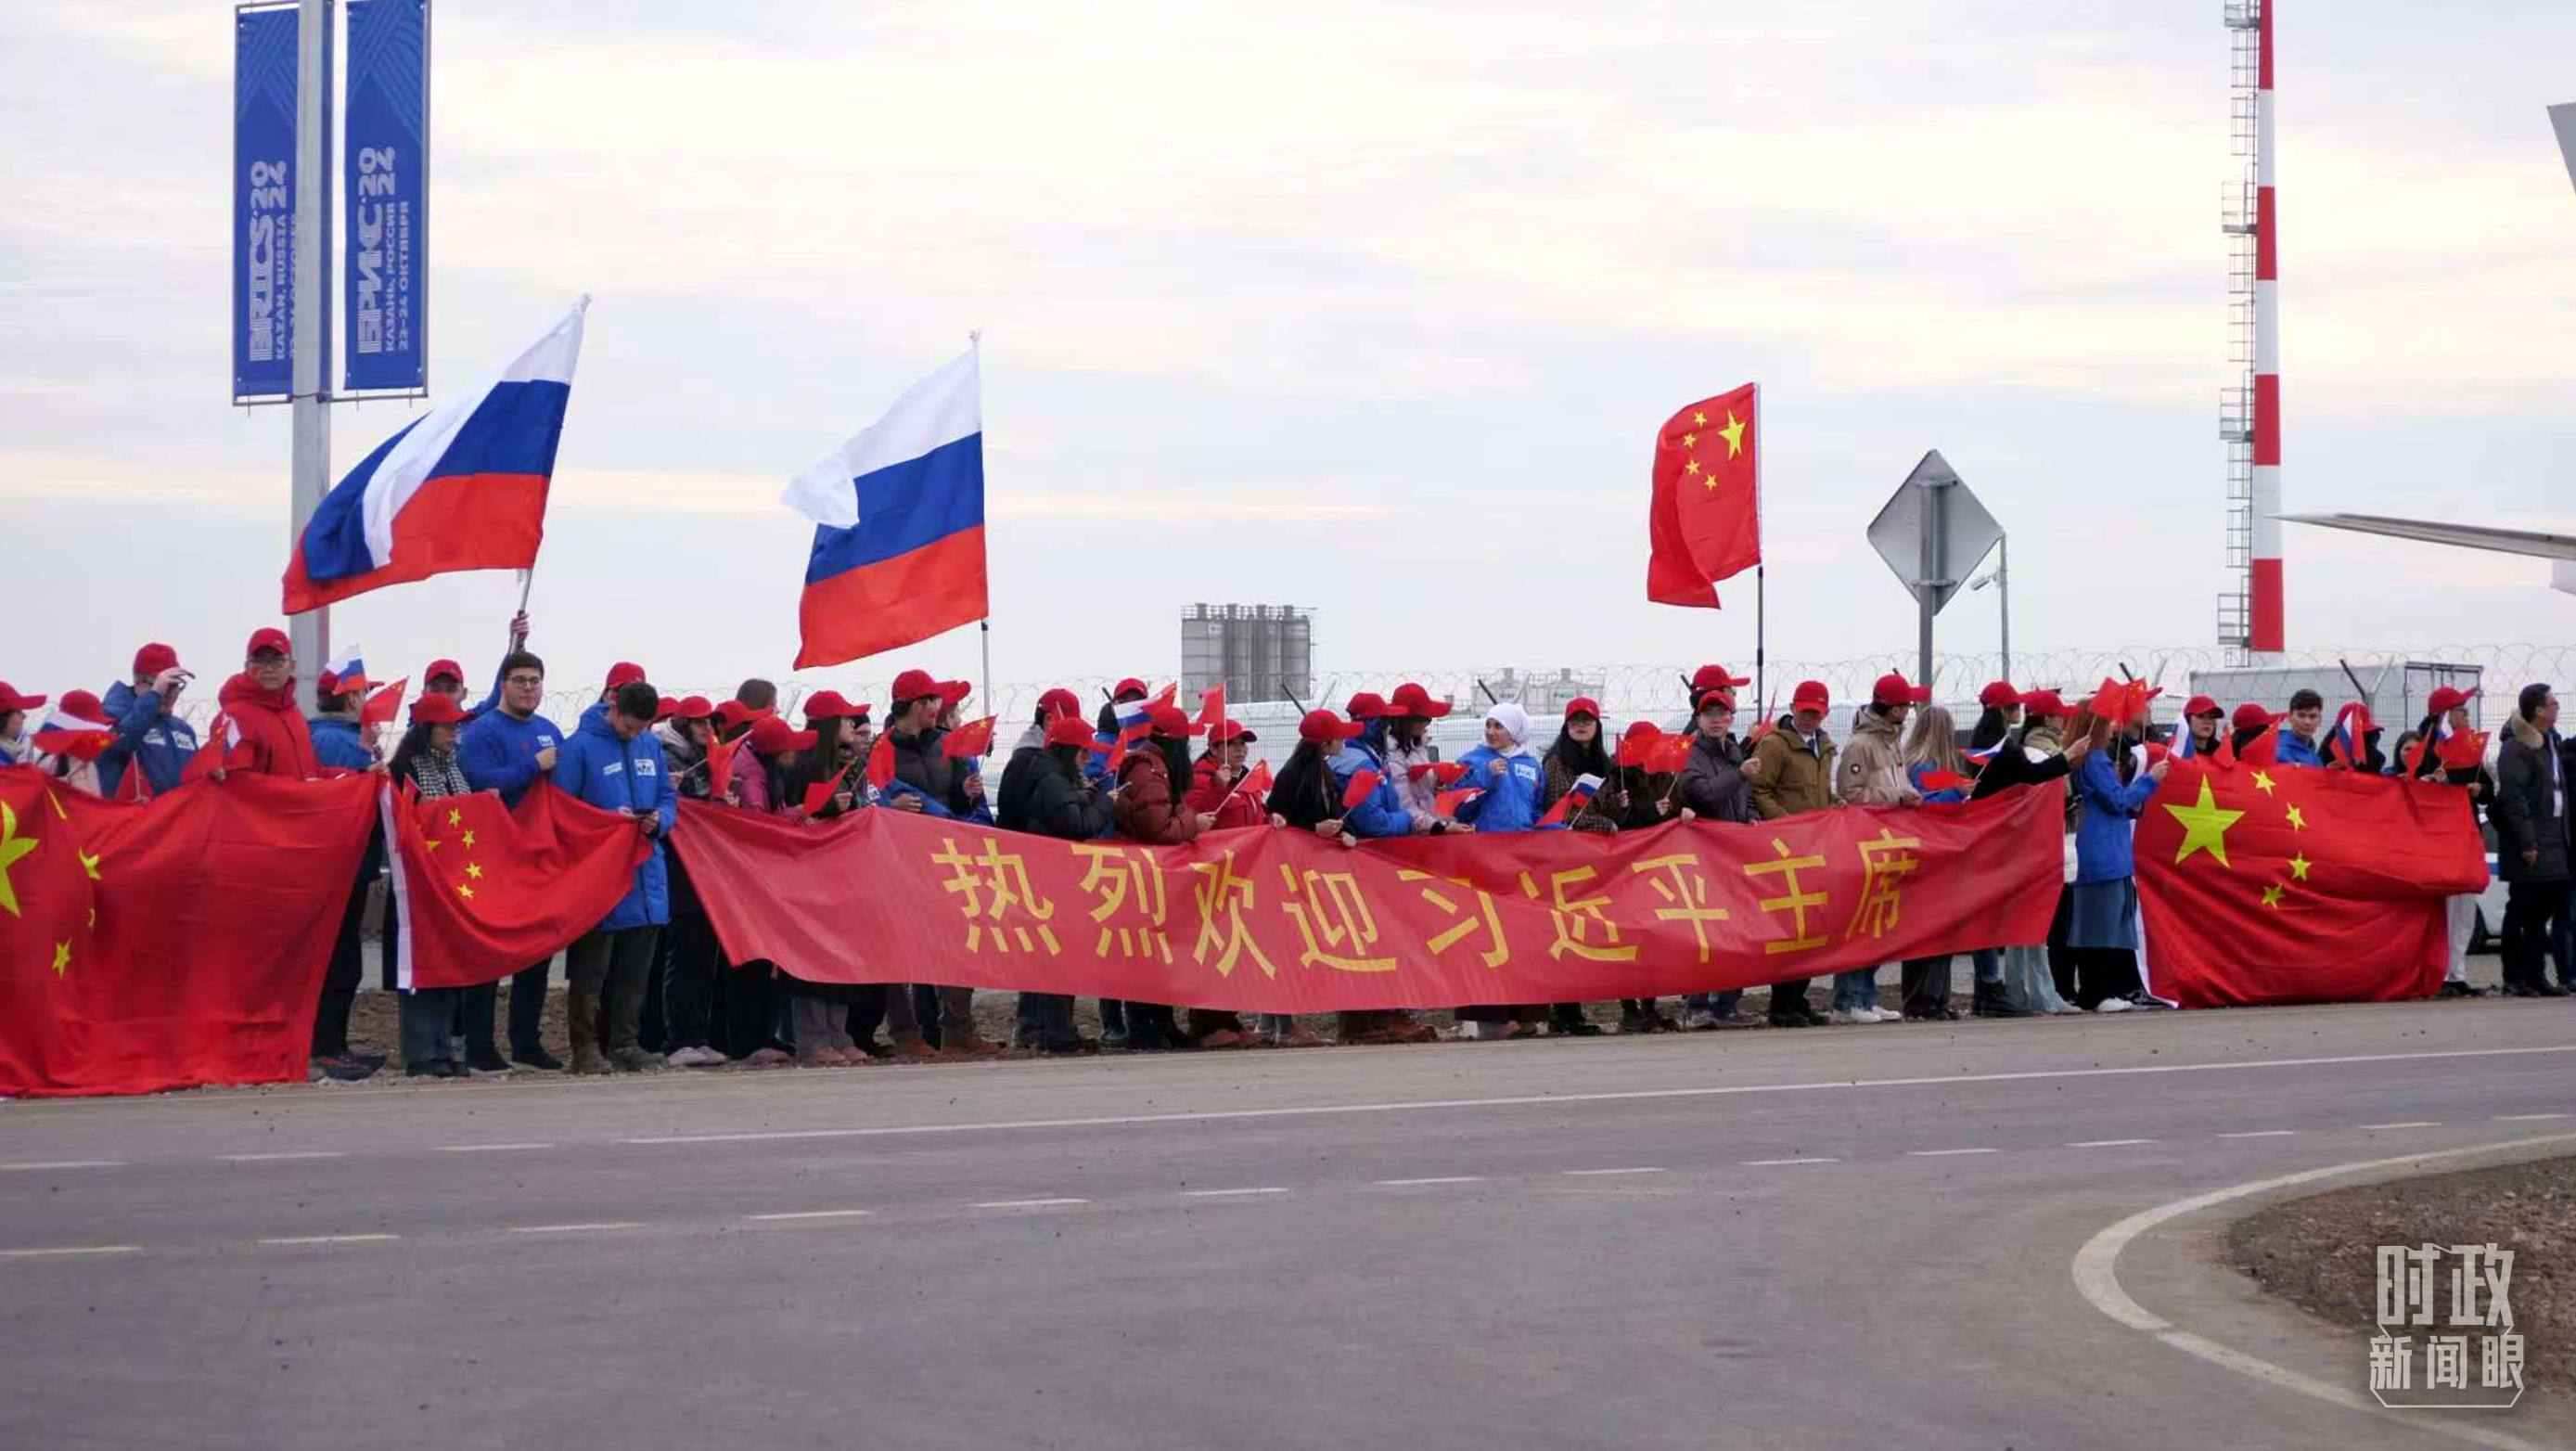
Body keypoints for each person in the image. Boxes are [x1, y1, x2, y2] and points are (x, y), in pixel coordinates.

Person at [553, 680, 677, 1072]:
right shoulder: (578, 748)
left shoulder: (650, 745)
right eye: (629, 726)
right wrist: (607, 822)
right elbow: (560, 810)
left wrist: (660, 820)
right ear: (614, 708)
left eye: (643, 727)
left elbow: (667, 796)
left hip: (646, 870)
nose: (635, 733)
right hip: (599, 876)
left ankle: (625, 1043)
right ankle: (585, 1048)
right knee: (592, 971)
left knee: (634, 971)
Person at [455, 650, 567, 1071]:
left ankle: (526, 1042)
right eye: (520, 680)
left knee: (537, 953)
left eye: (534, 681)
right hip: (493, 857)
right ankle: (479, 1045)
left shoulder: (549, 731)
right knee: (487, 953)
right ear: (503, 684)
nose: (528, 688)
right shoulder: (482, 731)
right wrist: (532, 766)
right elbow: (478, 781)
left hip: (537, 858)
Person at [880, 669, 1000, 1057]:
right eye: (930, 701)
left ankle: (958, 1029)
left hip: (946, 859)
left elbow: (963, 804)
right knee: (899, 948)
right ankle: (905, 1033)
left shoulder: (949, 745)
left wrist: (967, 793)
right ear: (913, 705)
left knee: (958, 940)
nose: (938, 707)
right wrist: (890, 805)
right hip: (900, 860)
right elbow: (868, 800)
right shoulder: (881, 751)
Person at [999, 711, 1119, 1053]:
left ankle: (1043, 1028)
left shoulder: (1051, 776)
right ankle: (1056, 1032)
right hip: (1053, 881)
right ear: (1068, 752)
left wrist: (1085, 795)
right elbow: (1076, 825)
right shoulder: (1052, 781)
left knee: (1050, 956)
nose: (1088, 759)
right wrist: (1104, 803)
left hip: (1048, 878)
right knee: (1058, 957)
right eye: (1083, 752)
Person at [1330, 691, 1441, 1045]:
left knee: (1370, 940)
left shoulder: (1363, 756)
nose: (1389, 727)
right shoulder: (1358, 763)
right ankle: (1374, 1017)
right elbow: (1374, 821)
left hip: (1366, 859)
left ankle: (1376, 1015)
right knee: (1374, 941)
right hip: (1368, 858)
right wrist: (1405, 822)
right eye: (1384, 721)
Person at [1969, 688, 2088, 1016]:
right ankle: (2012, 991)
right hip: (2012, 844)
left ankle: (1999, 990)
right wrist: (2068, 757)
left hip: (2000, 841)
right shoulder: (2013, 749)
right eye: (2014, 706)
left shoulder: (1992, 743)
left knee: (2006, 922)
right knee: (2019, 923)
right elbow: (2034, 779)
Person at [1260, 710, 1365, 1047]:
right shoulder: (1293, 775)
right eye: (1339, 735)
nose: (1344, 740)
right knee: (1288, 947)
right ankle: (1284, 1025)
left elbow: (1327, 814)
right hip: (1290, 871)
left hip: (1308, 869)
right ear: (1325, 742)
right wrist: (1313, 829)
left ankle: (1272, 1023)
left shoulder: (1322, 771)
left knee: (1293, 945)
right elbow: (1277, 822)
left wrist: (1341, 832)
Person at [1112, 701, 1211, 1050]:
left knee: (1158, 951)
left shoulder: (1154, 770)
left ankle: (1161, 1022)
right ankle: (1144, 1026)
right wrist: (1193, 822)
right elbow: (1158, 828)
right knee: (1145, 952)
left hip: (1153, 874)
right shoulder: (1150, 774)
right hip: (1145, 874)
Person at [1827, 672, 1926, 1024]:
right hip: (1867, 842)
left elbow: (1896, 782)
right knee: (1861, 923)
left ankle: (1867, 996)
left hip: (1890, 838)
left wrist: (1908, 794)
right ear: (1891, 707)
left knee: (1880, 925)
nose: (1908, 711)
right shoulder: (1861, 744)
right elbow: (1851, 792)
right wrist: (1895, 797)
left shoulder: (1891, 742)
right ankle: (1847, 1001)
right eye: (1904, 705)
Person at [385, 695, 474, 1077]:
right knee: (422, 967)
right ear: (426, 730)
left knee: (448, 965)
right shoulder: (404, 771)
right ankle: (422, 1052)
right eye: (448, 727)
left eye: (457, 726)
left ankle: (445, 1047)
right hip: (417, 885)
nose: (455, 734)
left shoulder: (453, 768)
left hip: (451, 882)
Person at [1447, 702, 1548, 1040]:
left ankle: (1526, 1014)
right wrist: (1485, 778)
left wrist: (1551, 828)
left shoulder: (1531, 765)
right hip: (1483, 859)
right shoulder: (1473, 761)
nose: (1491, 732)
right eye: (1489, 725)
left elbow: (1537, 808)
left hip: (1521, 861)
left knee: (1523, 938)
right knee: (1487, 937)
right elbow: (1456, 805)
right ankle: (1490, 1018)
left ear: (1515, 730)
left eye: (1499, 726)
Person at [1740, 679, 1837, 1027]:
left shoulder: (1825, 746)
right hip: (1786, 850)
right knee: (1790, 930)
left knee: (1813, 929)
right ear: (1794, 709)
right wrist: (1785, 825)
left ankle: (1797, 998)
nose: (1810, 718)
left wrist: (1837, 807)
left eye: (1817, 713)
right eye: (1805, 711)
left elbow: (1820, 793)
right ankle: (1782, 1004)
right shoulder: (1775, 745)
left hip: (1816, 847)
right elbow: (1759, 790)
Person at [2065, 702, 2170, 1010]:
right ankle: (2100, 992)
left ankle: (2097, 990)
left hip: (2096, 846)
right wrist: (2151, 780)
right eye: (2108, 722)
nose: (2113, 727)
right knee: (2106, 924)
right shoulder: (2096, 759)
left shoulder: (2083, 757)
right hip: (2106, 849)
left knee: (2095, 923)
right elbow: (2117, 800)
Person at [649, 695, 733, 1063]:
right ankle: (678, 1039)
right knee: (682, 958)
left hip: (704, 870)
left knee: (702, 959)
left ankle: (697, 1036)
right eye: (699, 722)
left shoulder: (706, 755)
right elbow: (679, 801)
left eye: (709, 722)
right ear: (683, 724)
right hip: (678, 868)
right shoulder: (666, 754)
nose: (706, 728)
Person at [1536, 699, 1619, 1034]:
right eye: (1575, 722)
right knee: (1566, 933)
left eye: (1587, 721)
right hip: (1566, 860)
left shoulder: (1604, 763)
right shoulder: (1557, 763)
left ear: (1597, 726)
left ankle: (1574, 1010)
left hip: (1595, 860)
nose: (1581, 726)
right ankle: (1565, 1012)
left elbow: (1604, 807)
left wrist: (1617, 806)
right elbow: (1563, 812)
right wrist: (1605, 824)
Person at [2407, 686, 2493, 998]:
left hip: (2465, 834)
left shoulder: (2470, 748)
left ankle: (2457, 972)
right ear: (2445, 714)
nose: (2466, 716)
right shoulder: (2426, 750)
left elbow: (2488, 789)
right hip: (2437, 838)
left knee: (2464, 906)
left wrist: (2479, 790)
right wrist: (2435, 783)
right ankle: (2438, 971)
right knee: (2442, 909)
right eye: (2461, 710)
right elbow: (2412, 786)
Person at [1607, 721, 1687, 1032]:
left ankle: (1649, 1006)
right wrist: (1650, 810)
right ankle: (1629, 1008)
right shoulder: (1617, 776)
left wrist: (1677, 810)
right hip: (1625, 868)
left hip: (1656, 867)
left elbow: (1674, 807)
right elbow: (1621, 818)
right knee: (1627, 939)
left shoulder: (1665, 775)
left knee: (1652, 940)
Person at [2493, 684, 2570, 997]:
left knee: (2541, 913)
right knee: (2522, 910)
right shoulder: (2516, 747)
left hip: (2555, 841)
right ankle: (2515, 977)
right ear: (2538, 710)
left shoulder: (2550, 743)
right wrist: (2528, 842)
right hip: (2529, 843)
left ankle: (2536, 975)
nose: (2557, 707)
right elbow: (2514, 799)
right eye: (2553, 703)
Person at [1897, 704, 1971, 1020]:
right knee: (1932, 931)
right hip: (1931, 855)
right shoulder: (1923, 767)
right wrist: (1957, 795)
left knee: (1935, 930)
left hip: (1931, 856)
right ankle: (1925, 998)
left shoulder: (1921, 764)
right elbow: (1926, 807)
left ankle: (1934, 997)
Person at [192, 628, 322, 780]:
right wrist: (300, 789)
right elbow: (235, 782)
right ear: (247, 666)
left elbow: (312, 772)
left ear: (292, 666)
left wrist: (344, 778)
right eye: (259, 661)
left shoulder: (295, 715)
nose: (268, 668)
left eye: (278, 661)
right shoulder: (234, 717)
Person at [97, 642, 199, 799]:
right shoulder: (111, 716)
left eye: (175, 686)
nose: (170, 694)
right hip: (131, 812)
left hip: (178, 813)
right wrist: (153, 697)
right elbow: (118, 745)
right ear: (139, 682)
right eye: (164, 686)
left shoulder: (183, 729)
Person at [1384, 682, 1454, 832]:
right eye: (1424, 718)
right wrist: (1439, 827)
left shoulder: (1417, 746)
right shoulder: (1393, 755)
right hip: (1412, 832)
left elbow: (1424, 792)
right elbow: (1404, 805)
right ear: (1407, 721)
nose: (1427, 723)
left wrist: (1437, 784)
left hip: (1427, 826)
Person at [1186, 719, 1268, 830]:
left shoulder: (1247, 780)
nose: (1240, 749)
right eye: (1230, 743)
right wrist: (1217, 788)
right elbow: (1192, 820)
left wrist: (1271, 819)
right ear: (1213, 749)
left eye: (1242, 743)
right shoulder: (1200, 779)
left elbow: (1257, 817)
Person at [2277, 688, 2326, 767]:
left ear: (2320, 720)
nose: (2307, 722)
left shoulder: (2310, 749)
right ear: (2289, 717)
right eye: (2301, 715)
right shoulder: (2280, 751)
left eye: (2312, 716)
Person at [1969, 681, 2020, 753]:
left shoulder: (1977, 740)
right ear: (2002, 710)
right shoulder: (2008, 749)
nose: (2019, 710)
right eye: (2016, 705)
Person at [0, 681, 44, 765]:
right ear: (3, 718)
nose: (24, 716)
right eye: (19, 711)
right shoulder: (3, 765)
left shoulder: (9, 753)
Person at [2173, 695, 2225, 759]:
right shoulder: (2176, 752)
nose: (2208, 722)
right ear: (2187, 720)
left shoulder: (2222, 752)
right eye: (2200, 716)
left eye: (2212, 717)